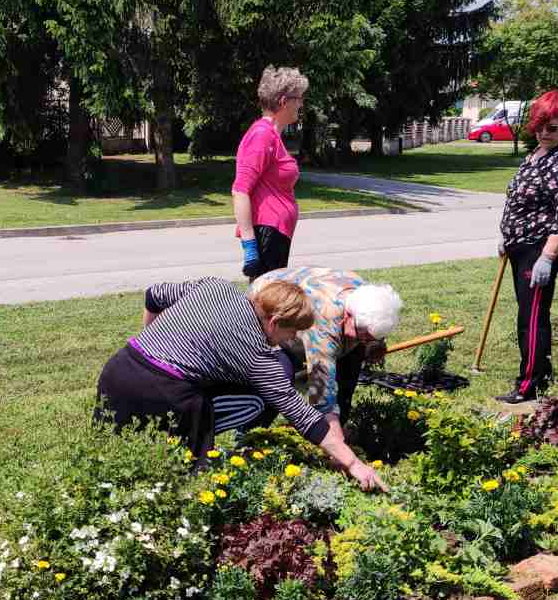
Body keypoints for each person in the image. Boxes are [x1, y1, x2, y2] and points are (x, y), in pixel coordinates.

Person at [96, 276, 386, 491]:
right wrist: (353, 463)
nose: (290, 340)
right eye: (291, 333)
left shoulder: (214, 287)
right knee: (182, 476)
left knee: (108, 458)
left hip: (118, 371)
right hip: (164, 396)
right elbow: (301, 414)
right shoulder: (256, 355)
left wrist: (151, 336)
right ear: (273, 321)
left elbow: (154, 294)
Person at [494, 89, 558, 402]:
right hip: (520, 245)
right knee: (528, 312)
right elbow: (519, 199)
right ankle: (542, 375)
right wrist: (506, 236)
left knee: (532, 317)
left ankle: (530, 386)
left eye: (552, 128)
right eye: (539, 126)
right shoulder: (537, 154)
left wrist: (547, 258)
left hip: (540, 248)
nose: (544, 133)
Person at [254, 265, 403, 434]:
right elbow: (321, 392)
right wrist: (334, 437)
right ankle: (250, 435)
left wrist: (375, 343)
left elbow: (373, 324)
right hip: (270, 310)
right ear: (348, 315)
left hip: (310, 297)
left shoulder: (370, 300)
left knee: (349, 372)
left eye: (368, 337)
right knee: (277, 378)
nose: (362, 341)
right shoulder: (325, 322)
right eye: (361, 335)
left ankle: (338, 430)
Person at [233, 66, 307, 280]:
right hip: (267, 233)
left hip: (276, 233)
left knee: (270, 298)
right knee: (266, 300)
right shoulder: (262, 135)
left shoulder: (272, 136)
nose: (300, 104)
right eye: (298, 98)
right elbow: (240, 190)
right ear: (284, 101)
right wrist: (249, 246)